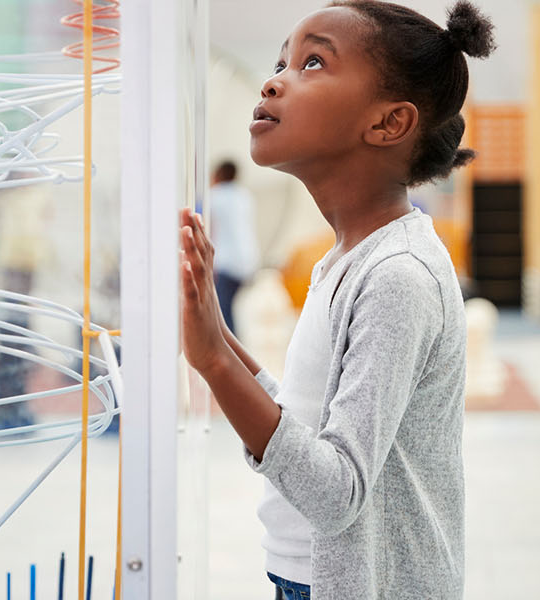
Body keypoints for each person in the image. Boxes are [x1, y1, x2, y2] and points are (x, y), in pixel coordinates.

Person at [178, 2, 493, 598]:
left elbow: (336, 492)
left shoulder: (398, 276)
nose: (274, 79)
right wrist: (215, 336)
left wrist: (214, 365)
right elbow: (307, 424)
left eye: (313, 61)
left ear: (388, 124)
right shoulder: (350, 258)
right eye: (281, 62)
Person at [207, 159, 261, 335]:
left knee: (223, 314)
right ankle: (236, 347)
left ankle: (232, 352)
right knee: (231, 310)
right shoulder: (244, 196)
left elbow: (210, 231)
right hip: (248, 260)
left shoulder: (215, 197)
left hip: (226, 262)